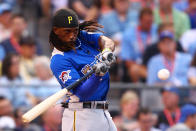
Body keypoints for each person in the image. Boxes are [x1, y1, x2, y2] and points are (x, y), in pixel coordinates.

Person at [49, 9, 116, 131]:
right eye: (67, 32)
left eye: (75, 31)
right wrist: (98, 74)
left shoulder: (82, 37)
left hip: (103, 112)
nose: (72, 35)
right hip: (81, 116)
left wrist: (106, 51)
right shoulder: (58, 59)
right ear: (56, 30)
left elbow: (107, 41)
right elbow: (82, 94)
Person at [121, 7, 157, 82]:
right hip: (138, 66)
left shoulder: (156, 31)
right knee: (134, 69)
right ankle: (139, 91)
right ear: (140, 20)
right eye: (147, 22)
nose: (149, 24)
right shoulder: (129, 34)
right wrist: (143, 68)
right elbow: (127, 60)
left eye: (151, 22)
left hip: (155, 65)